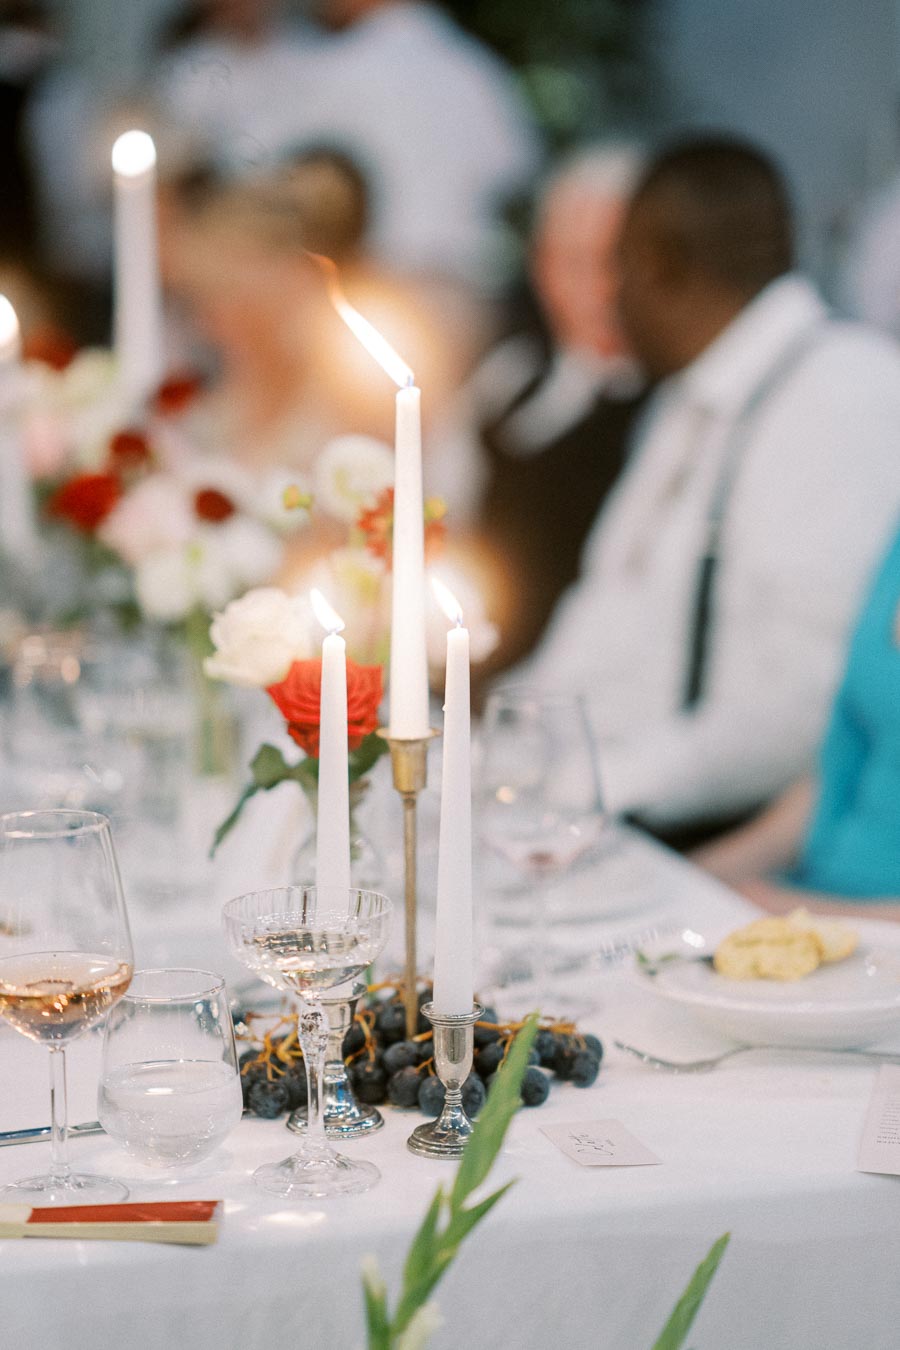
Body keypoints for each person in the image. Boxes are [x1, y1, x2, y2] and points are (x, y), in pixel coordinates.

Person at [521, 136, 900, 842]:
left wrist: (596, 784)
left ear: (659, 268)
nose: (607, 295)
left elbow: (800, 704)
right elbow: (610, 604)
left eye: (617, 268)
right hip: (612, 813)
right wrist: (507, 744)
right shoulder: (686, 397)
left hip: (744, 831)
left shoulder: (842, 396)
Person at [428, 145, 646, 674]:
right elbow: (439, 504)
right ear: (541, 265)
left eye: (617, 261)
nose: (601, 289)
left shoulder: (668, 410)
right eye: (576, 263)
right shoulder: (510, 376)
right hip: (466, 677)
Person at [693, 523, 900, 919]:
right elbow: (837, 773)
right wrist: (691, 878)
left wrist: (804, 913)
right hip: (809, 897)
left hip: (864, 935)